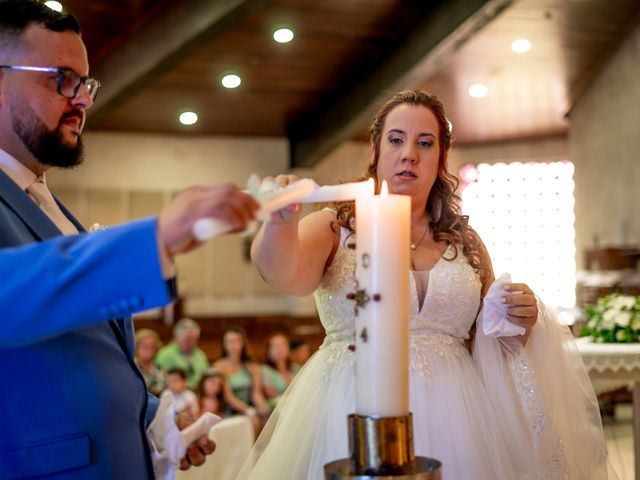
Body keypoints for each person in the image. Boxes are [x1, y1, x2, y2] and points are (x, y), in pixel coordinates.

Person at [241, 90, 611, 479]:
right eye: (397, 140)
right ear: (375, 149)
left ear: (441, 157)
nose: (409, 155)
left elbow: (486, 339)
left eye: (425, 143)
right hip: (348, 405)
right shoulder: (335, 227)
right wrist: (280, 224)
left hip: (461, 412)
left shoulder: (465, 243)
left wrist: (518, 318)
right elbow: (284, 275)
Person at [0, 1, 259, 478]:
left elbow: (80, 354)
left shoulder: (50, 206)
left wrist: (154, 419)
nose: (82, 100)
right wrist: (156, 237)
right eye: (61, 78)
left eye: (86, 84)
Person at [213, 326, 269, 423]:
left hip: (250, 407)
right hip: (229, 410)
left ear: (243, 343)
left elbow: (256, 393)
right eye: (229, 342)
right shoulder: (219, 366)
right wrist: (247, 410)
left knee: (266, 418)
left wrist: (262, 406)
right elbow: (228, 396)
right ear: (224, 345)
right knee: (249, 422)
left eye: (236, 341)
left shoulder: (252, 366)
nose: (233, 345)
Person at [156, 317, 209, 390]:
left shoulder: (200, 355)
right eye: (187, 339)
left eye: (194, 339)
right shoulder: (165, 354)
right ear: (177, 337)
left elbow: (206, 377)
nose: (191, 342)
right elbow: (160, 379)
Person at [261, 332, 299, 412]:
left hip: (297, 405)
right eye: (275, 346)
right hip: (276, 409)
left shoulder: (296, 368)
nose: (280, 349)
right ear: (268, 351)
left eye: (283, 345)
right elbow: (271, 393)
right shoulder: (265, 370)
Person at [135, 328, 167, 396]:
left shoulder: (161, 369)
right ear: (136, 348)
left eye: (152, 346)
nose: (149, 350)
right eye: (145, 346)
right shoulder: (131, 368)